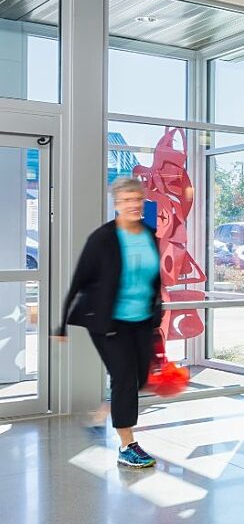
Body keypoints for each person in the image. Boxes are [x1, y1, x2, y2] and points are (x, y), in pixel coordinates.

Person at [55, 177, 163, 468]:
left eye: (137, 199)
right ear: (116, 204)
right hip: (107, 321)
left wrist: (157, 314)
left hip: (141, 320)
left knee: (139, 378)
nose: (133, 205)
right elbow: (80, 279)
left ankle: (102, 413)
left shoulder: (149, 235)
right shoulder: (102, 238)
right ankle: (127, 446)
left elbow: (155, 279)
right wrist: (61, 323)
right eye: (126, 200)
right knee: (124, 377)